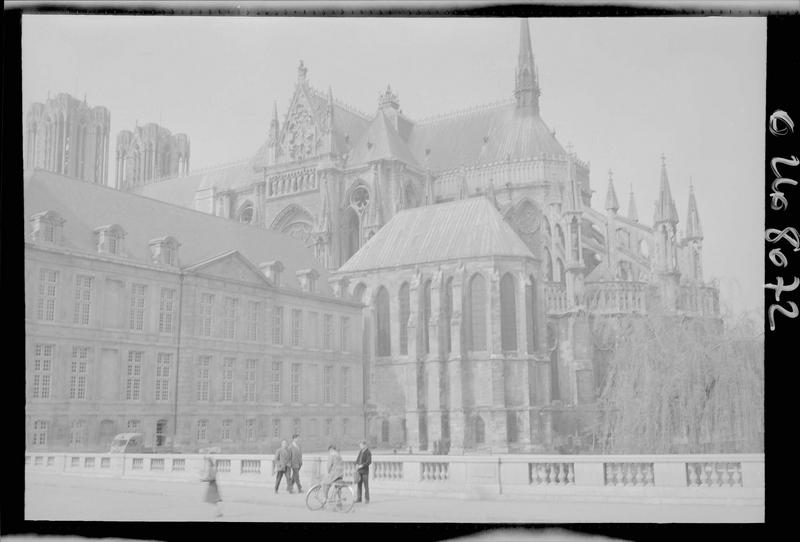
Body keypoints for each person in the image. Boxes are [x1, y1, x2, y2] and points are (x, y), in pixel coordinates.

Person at [354, 439, 372, 504]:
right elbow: (357, 459)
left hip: (365, 472)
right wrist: (356, 464)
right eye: (360, 445)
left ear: (364, 445)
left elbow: (369, 461)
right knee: (359, 485)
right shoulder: (361, 451)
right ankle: (359, 498)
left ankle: (367, 499)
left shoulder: (368, 452)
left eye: (361, 445)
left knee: (366, 486)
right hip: (359, 471)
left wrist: (362, 465)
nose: (360, 446)